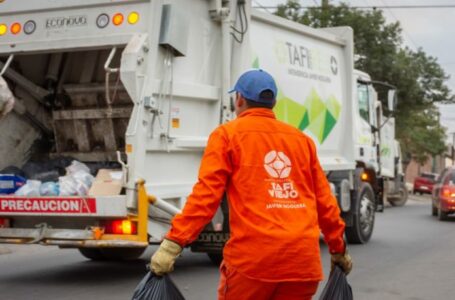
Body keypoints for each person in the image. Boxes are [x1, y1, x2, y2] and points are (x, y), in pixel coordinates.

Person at [151, 69, 352, 300]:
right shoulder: (302, 141)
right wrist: (338, 250)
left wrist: (173, 244)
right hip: (302, 264)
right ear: (273, 103)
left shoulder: (227, 135)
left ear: (239, 99)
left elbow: (205, 197)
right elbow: (325, 203)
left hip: (253, 265)